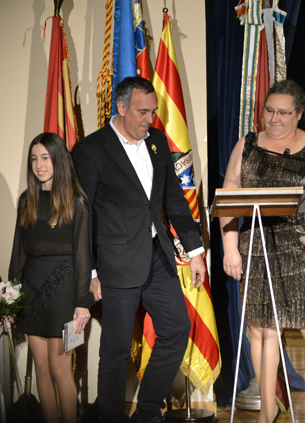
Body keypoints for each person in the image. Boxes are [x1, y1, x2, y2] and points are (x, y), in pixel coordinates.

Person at [71, 76, 205, 423]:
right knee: (115, 350)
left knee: (176, 329)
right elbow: (83, 217)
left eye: (153, 111)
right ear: (121, 107)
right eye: (142, 112)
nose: (150, 119)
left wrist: (195, 252)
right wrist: (91, 272)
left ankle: (147, 412)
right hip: (115, 264)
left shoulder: (157, 141)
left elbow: (174, 201)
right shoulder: (90, 150)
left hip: (158, 257)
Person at [220, 80, 305, 423]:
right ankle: (268, 409)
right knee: (262, 332)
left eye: (283, 113)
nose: (274, 119)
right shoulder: (247, 145)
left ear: (299, 114)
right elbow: (229, 195)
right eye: (269, 111)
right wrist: (230, 247)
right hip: (258, 248)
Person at [8, 132, 94, 423]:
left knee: (60, 369)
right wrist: (11, 297)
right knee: (42, 369)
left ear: (59, 160)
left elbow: (83, 257)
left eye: (45, 158)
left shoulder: (77, 202)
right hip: (31, 290)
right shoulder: (27, 200)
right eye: (34, 159)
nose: (39, 165)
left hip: (64, 292)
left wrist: (82, 302)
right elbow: (18, 253)